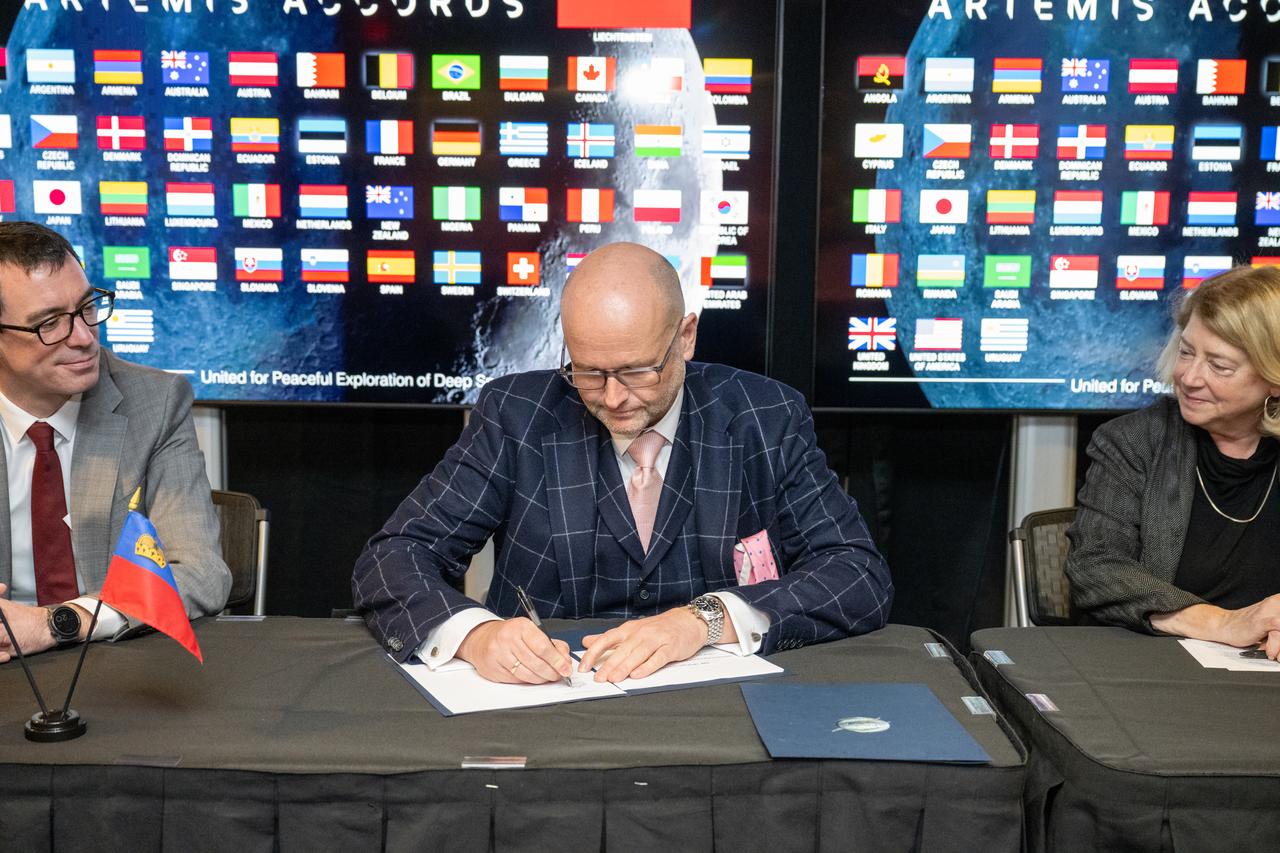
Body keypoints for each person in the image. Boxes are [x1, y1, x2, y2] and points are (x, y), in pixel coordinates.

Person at [353, 242, 891, 683]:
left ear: (685, 337)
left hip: (713, 710)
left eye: (636, 371)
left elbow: (856, 573)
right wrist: (474, 634)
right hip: (543, 704)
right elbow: (396, 554)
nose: (612, 398)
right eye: (587, 372)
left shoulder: (765, 417)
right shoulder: (517, 417)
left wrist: (704, 621)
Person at [0, 222, 230, 663]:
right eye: (49, 323)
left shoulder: (156, 403)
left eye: (87, 308)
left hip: (115, 662)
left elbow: (200, 574)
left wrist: (58, 624)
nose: (85, 337)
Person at [1067, 264, 1280, 657]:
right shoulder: (1134, 442)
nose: (1189, 376)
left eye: (1219, 365)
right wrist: (1224, 623)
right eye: (1186, 352)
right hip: (1151, 667)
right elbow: (1096, 567)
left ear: (1274, 378)